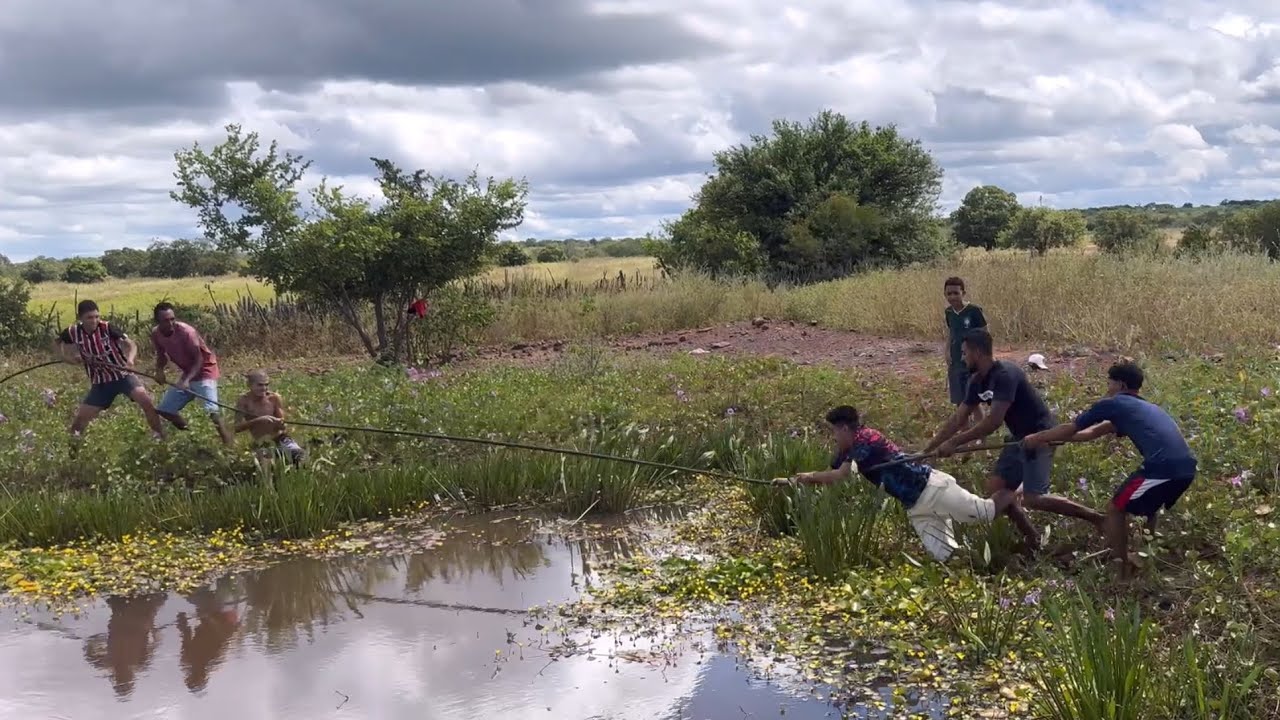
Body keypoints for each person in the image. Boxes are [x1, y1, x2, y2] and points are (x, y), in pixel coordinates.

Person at [922, 328, 1103, 549]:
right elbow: (958, 419)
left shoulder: (1006, 375)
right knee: (997, 490)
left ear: (977, 352)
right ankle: (1033, 539)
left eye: (964, 352)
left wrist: (955, 443)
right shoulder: (976, 381)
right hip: (1018, 437)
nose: (962, 357)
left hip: (1041, 434)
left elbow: (993, 421)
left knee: (1033, 498)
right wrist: (929, 449)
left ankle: (1097, 518)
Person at [776, 405, 1021, 562]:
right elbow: (829, 475)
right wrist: (794, 480)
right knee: (945, 557)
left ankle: (1013, 492)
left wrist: (805, 478)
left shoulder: (866, 438)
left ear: (844, 428)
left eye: (834, 432)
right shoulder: (847, 450)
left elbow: (841, 476)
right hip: (916, 507)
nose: (834, 437)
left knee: (984, 513)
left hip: (932, 488)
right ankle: (994, 564)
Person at [1022, 361, 1197, 577]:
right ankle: (1144, 556)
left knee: (1115, 508)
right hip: (1186, 468)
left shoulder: (1114, 403)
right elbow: (1088, 434)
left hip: (1162, 467)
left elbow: (1073, 427)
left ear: (1121, 385)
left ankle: (1121, 566)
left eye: (1109, 382)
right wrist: (1051, 439)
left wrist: (1037, 437)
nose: (1107, 387)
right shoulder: (1142, 407)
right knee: (1150, 507)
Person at [56, 299, 165, 445]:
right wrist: (66, 358)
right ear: (80, 318)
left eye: (96, 316)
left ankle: (160, 438)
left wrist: (130, 360)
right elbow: (57, 342)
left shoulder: (107, 328)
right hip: (100, 382)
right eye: (89, 317)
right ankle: (73, 450)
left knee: (146, 401)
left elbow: (131, 344)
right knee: (80, 421)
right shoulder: (73, 332)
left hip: (122, 375)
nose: (94, 320)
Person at [151, 302, 233, 445]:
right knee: (165, 410)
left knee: (212, 411)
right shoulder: (156, 333)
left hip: (204, 370)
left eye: (172, 319)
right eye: (166, 320)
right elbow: (161, 355)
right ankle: (195, 435)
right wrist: (159, 371)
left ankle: (229, 445)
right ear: (157, 321)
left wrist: (186, 381)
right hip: (188, 373)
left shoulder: (187, 332)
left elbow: (199, 359)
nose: (170, 323)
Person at [234, 370, 304, 466]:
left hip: (280, 439)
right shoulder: (244, 401)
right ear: (249, 385)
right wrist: (259, 420)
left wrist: (280, 423)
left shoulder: (274, 398)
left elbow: (283, 424)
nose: (264, 388)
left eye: (266, 385)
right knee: (265, 466)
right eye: (260, 385)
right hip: (262, 443)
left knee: (299, 456)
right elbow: (236, 427)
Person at [943, 277, 987, 407]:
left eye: (956, 293)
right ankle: (964, 427)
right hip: (955, 360)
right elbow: (951, 332)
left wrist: (979, 356)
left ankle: (981, 427)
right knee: (959, 400)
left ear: (963, 293)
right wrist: (947, 351)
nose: (952, 297)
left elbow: (984, 334)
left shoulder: (974, 311)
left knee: (973, 401)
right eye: (949, 294)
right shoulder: (949, 312)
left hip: (971, 360)